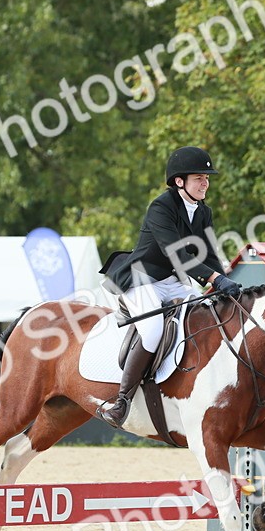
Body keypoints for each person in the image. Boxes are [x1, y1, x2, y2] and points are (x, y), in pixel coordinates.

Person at [96, 146, 240, 428]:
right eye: (199, 178)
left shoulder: (203, 212)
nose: (205, 183)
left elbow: (208, 253)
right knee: (151, 331)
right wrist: (213, 279)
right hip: (141, 279)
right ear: (179, 181)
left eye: (207, 178)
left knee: (208, 312)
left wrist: (224, 282)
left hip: (172, 281)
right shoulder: (161, 207)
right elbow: (178, 254)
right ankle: (121, 402)